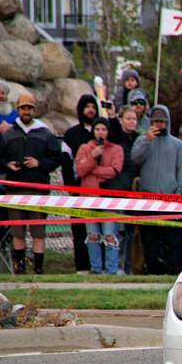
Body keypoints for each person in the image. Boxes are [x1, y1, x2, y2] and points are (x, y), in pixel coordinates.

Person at [0, 94, 61, 274]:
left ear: (34, 110)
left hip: (38, 189)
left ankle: (38, 269)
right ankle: (20, 268)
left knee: (38, 232)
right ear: (18, 109)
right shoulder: (9, 133)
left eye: (29, 108)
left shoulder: (45, 133)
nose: (26, 111)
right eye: (23, 108)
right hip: (14, 189)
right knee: (18, 232)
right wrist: (7, 164)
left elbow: (57, 158)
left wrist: (39, 163)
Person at [131, 104, 182, 274]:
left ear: (168, 122)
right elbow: (135, 157)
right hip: (147, 201)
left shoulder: (177, 145)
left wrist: (179, 193)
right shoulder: (143, 140)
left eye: (162, 122)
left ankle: (172, 271)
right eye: (155, 121)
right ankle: (153, 270)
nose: (159, 125)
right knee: (149, 240)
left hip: (170, 200)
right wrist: (146, 140)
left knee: (173, 240)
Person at [75, 118, 124, 275]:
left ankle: (111, 270)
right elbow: (81, 170)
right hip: (89, 198)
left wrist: (94, 169)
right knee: (93, 236)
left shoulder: (117, 149)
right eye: (97, 129)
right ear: (93, 131)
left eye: (103, 129)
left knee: (110, 235)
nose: (100, 132)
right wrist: (93, 157)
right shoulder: (84, 148)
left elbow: (115, 170)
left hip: (108, 200)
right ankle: (96, 269)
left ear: (108, 132)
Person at [62, 94, 100, 274]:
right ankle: (82, 267)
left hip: (99, 191)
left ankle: (100, 266)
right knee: (79, 229)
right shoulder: (71, 135)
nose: (90, 110)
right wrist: (70, 188)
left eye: (93, 106)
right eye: (87, 106)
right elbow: (65, 163)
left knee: (100, 229)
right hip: (77, 190)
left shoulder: (103, 131)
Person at [109, 105, 140, 274]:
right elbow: (112, 129)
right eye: (128, 118)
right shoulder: (116, 137)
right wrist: (112, 116)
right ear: (121, 120)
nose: (131, 122)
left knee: (131, 233)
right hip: (119, 190)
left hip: (135, 191)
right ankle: (118, 266)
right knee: (119, 231)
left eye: (134, 119)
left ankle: (129, 267)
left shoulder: (139, 139)